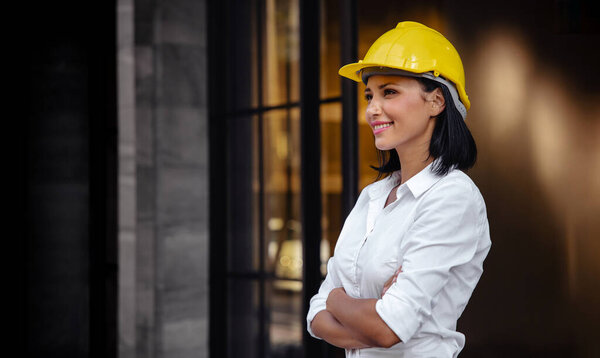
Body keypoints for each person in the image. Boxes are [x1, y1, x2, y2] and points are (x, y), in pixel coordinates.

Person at [306, 21, 491, 357]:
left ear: (436, 102)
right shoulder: (373, 197)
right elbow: (315, 317)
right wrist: (364, 310)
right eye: (369, 95)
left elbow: (388, 328)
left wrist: (337, 300)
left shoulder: (453, 197)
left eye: (388, 92)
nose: (372, 109)